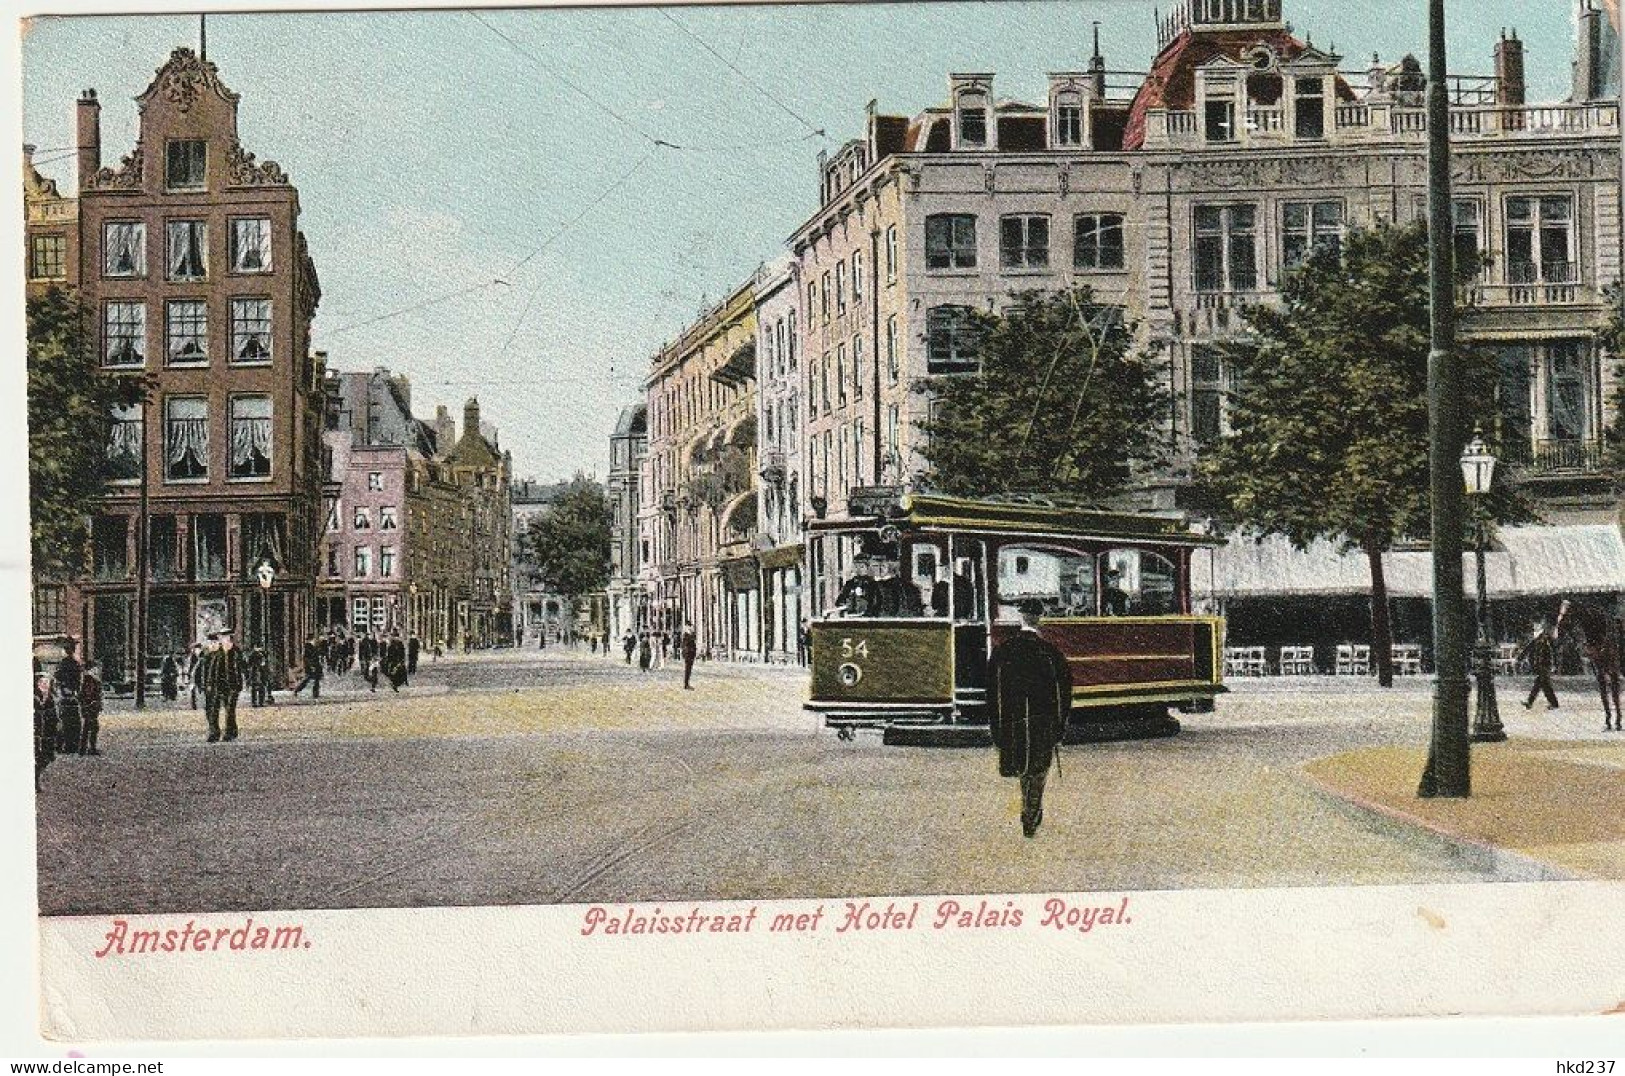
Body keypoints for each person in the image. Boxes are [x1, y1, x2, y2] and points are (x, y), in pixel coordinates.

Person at [987, 599, 1072, 839]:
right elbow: (1064, 694)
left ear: (1021, 617)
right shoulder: (1051, 652)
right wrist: (1060, 728)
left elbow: (992, 695)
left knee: (1022, 766)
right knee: (1039, 768)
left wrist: (996, 730)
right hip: (1043, 721)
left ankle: (1028, 807)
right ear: (1040, 618)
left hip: (1013, 720)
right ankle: (1031, 810)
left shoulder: (1003, 650)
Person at [203, 630, 245, 743]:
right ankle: (214, 733)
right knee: (214, 710)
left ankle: (230, 732)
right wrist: (209, 684)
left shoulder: (236, 652)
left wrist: (240, 683)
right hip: (218, 685)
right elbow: (212, 669)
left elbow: (242, 667)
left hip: (232, 685)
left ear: (230, 638)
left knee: (230, 710)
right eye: (221, 638)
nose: (222, 640)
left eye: (225, 637)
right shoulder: (217, 653)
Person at [1519, 621, 1560, 711]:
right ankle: (1553, 703)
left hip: (1545, 665)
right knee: (1543, 685)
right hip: (1541, 665)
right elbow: (1528, 648)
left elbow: (1552, 653)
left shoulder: (1546, 639)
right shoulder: (1538, 639)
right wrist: (1520, 657)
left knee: (1541, 685)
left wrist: (1553, 664)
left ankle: (1531, 702)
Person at [53, 637, 84, 755]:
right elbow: (77, 681)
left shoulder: (64, 663)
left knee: (64, 721)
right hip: (72, 696)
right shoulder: (74, 663)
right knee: (72, 721)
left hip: (65, 695)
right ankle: (71, 745)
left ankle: (63, 745)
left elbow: (57, 678)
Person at [34, 672, 58, 792]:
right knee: (37, 757)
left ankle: (37, 777)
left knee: (47, 757)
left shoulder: (51, 698)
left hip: (49, 733)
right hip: (37, 733)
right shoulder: (34, 699)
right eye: (41, 683)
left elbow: (55, 716)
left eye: (46, 683)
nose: (44, 685)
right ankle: (36, 780)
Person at [77, 661, 104, 756]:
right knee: (91, 727)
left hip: (91, 707)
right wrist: (91, 704)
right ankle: (88, 748)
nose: (98, 670)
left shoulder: (90, 679)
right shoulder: (89, 680)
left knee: (89, 727)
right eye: (95, 668)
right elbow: (88, 695)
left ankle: (84, 749)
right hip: (90, 707)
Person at [292, 634, 324, 699]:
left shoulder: (312, 646)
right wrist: (311, 665)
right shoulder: (308, 646)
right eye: (314, 639)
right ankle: (297, 690)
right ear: (312, 639)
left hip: (314, 665)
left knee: (315, 680)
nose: (315, 640)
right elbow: (307, 658)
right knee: (308, 679)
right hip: (312, 665)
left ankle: (315, 694)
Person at [186, 643, 204, 710]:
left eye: (198, 649)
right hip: (194, 678)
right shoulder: (192, 657)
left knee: (200, 693)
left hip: (200, 677)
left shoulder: (202, 657)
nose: (196, 650)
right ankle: (194, 706)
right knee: (193, 692)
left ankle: (199, 706)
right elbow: (190, 668)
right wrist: (189, 678)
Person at [681, 622, 698, 690]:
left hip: (690, 654)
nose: (691, 628)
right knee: (687, 670)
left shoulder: (689, 634)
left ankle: (687, 684)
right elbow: (687, 644)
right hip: (688, 654)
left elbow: (694, 638)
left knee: (689, 670)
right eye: (690, 626)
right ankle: (686, 684)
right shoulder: (686, 635)